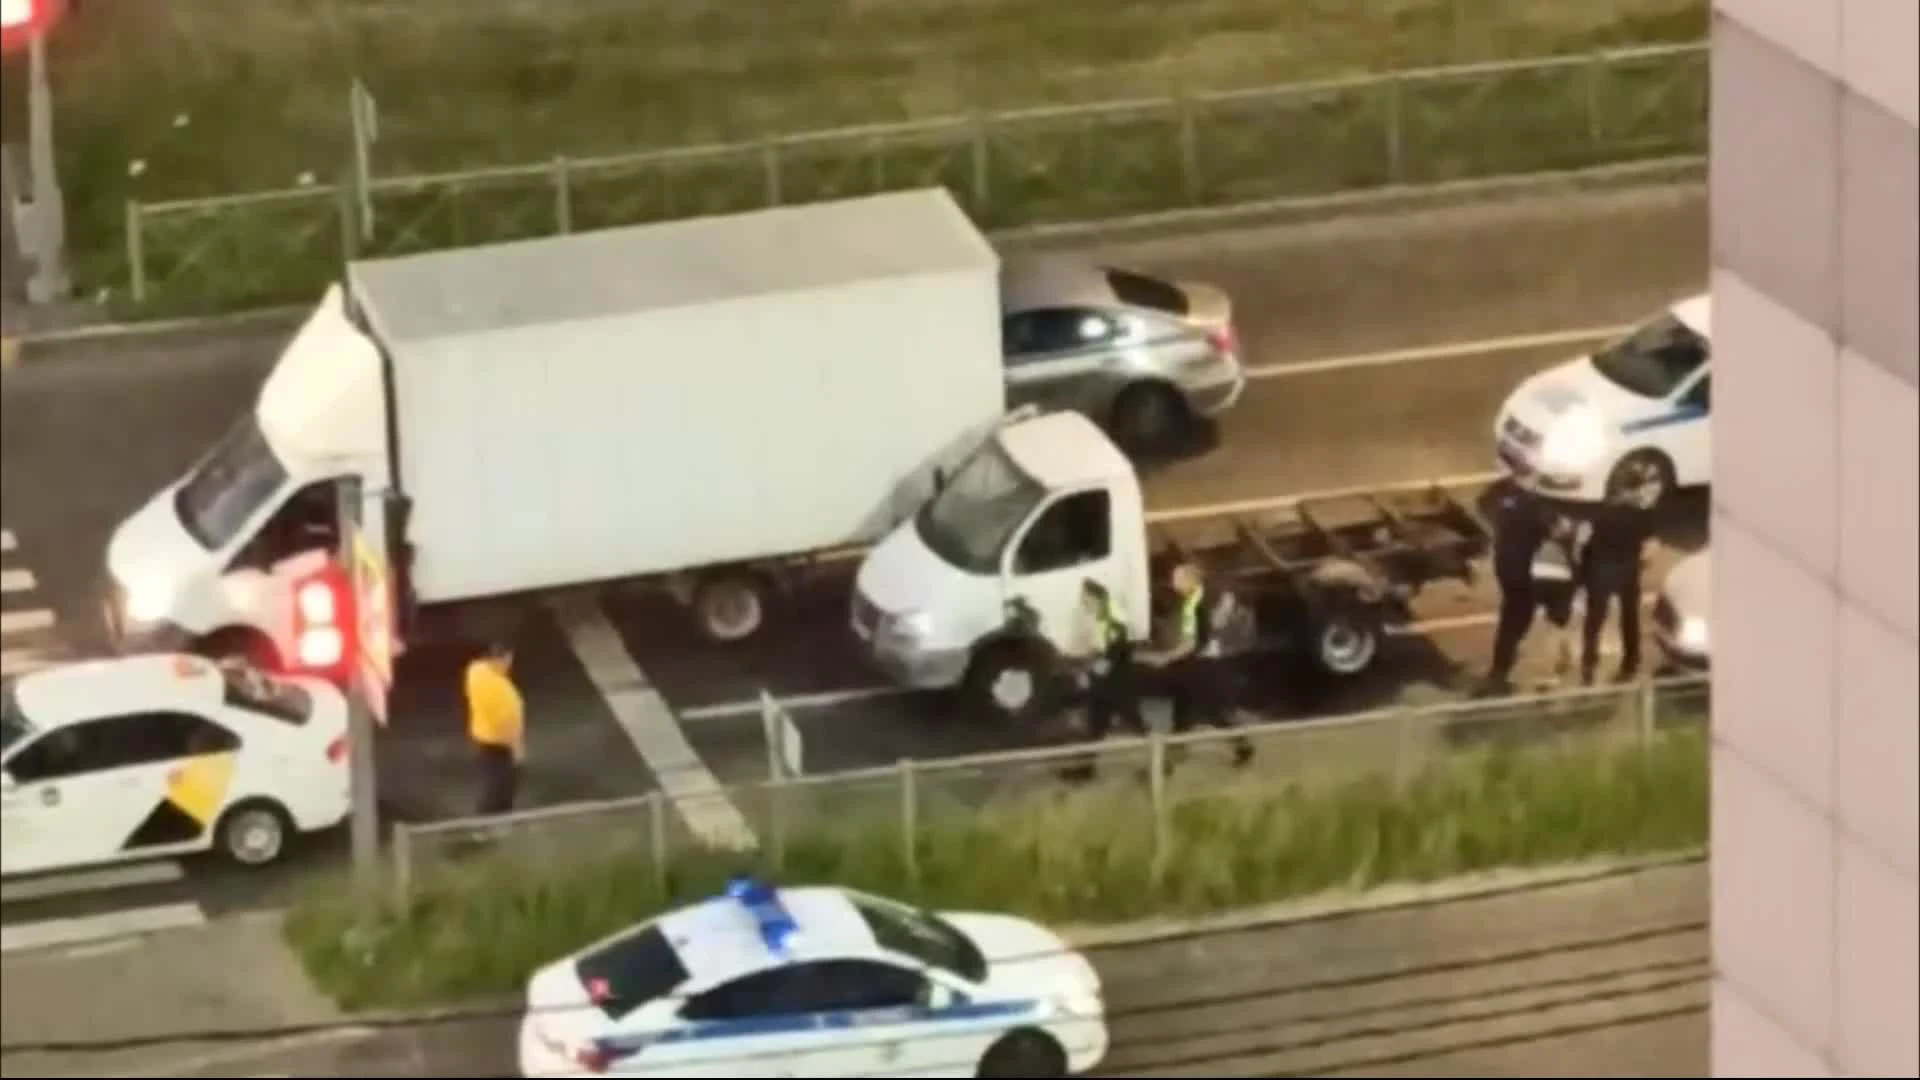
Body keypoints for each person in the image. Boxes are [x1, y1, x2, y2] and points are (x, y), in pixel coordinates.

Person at [1143, 562, 1253, 767]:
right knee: (1185, 713)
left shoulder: (1193, 604)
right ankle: (1172, 760)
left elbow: (1191, 643)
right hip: (1195, 663)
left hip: (1200, 667)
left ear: (1190, 581)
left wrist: (1166, 658)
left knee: (1209, 711)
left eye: (1177, 578)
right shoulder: (1196, 600)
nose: (1172, 583)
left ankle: (1242, 747)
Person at [1580, 479, 1659, 684]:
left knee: (1595, 618)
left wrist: (1584, 570)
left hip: (1600, 569)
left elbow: (1584, 541)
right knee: (1629, 617)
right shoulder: (1642, 514)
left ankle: (1589, 659)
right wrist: (1639, 564)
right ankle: (1631, 660)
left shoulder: (1598, 511)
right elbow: (1650, 549)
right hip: (1627, 569)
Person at [1483, 486, 1552, 693]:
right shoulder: (1536, 506)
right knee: (1518, 618)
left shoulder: (1503, 493)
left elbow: (1484, 505)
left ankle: (1501, 664)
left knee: (1509, 617)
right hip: (1523, 572)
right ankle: (1501, 669)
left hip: (1505, 566)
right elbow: (1546, 532)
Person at [465, 639, 525, 815]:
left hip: (481, 737)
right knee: (500, 785)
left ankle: (497, 816)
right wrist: (516, 747)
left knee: (495, 780)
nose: (509, 665)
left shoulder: (475, 672)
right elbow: (506, 722)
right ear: (502, 659)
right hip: (499, 743)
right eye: (508, 660)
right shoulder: (501, 690)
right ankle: (488, 821)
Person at [1528, 513, 1584, 687]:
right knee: (1555, 628)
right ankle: (1549, 672)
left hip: (1536, 574)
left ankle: (1564, 655)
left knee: (1551, 625)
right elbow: (1577, 559)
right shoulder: (1573, 526)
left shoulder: (1539, 519)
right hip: (1559, 578)